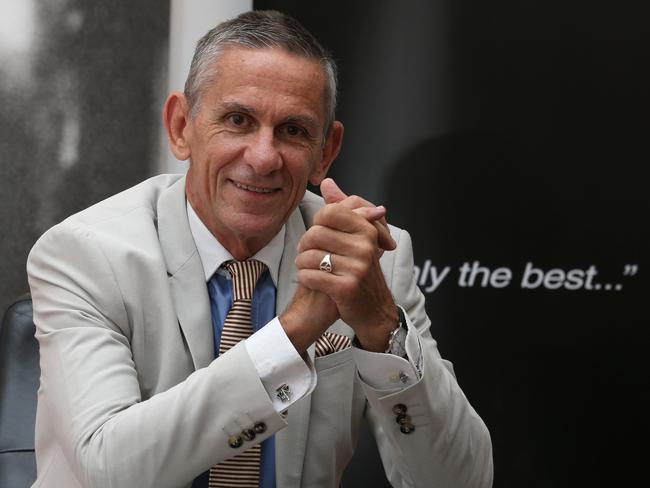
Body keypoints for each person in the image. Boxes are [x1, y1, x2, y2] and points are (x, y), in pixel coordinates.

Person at [27, 10, 493, 488]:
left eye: (292, 130)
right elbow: (110, 470)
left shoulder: (375, 262)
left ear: (326, 152)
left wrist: (380, 327)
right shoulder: (84, 254)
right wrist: (294, 330)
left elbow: (462, 481)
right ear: (181, 126)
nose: (264, 157)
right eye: (238, 120)